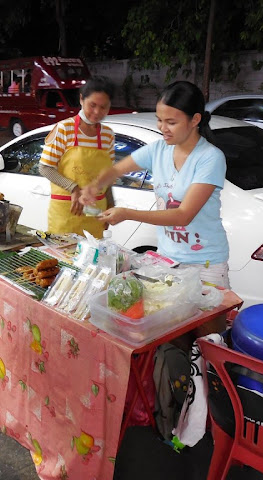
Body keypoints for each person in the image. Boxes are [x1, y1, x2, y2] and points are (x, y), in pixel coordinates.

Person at [81, 80, 229, 336]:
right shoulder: (159, 149)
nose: (163, 128)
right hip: (168, 261)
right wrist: (95, 186)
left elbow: (184, 214)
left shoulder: (210, 158)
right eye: (160, 120)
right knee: (173, 338)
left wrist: (126, 213)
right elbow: (117, 169)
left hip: (205, 264)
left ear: (195, 120)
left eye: (171, 122)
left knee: (208, 340)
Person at [38, 75, 116, 238]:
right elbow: (45, 167)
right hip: (66, 213)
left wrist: (110, 204)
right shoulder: (64, 129)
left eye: (103, 107)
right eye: (92, 105)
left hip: (95, 213)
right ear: (81, 99)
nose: (97, 112)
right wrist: (73, 188)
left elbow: (107, 177)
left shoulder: (108, 135)